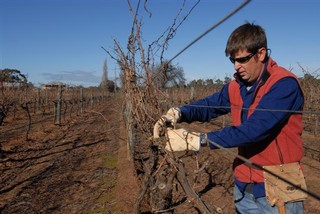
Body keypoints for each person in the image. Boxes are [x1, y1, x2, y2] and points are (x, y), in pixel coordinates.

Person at [154, 22, 306, 214]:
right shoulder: (237, 85)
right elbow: (210, 105)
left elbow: (255, 130)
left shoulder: (283, 84)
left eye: (242, 60)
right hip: (244, 185)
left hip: (278, 187)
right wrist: (178, 112)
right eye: (233, 60)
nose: (236, 66)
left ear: (261, 54)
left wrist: (197, 139)